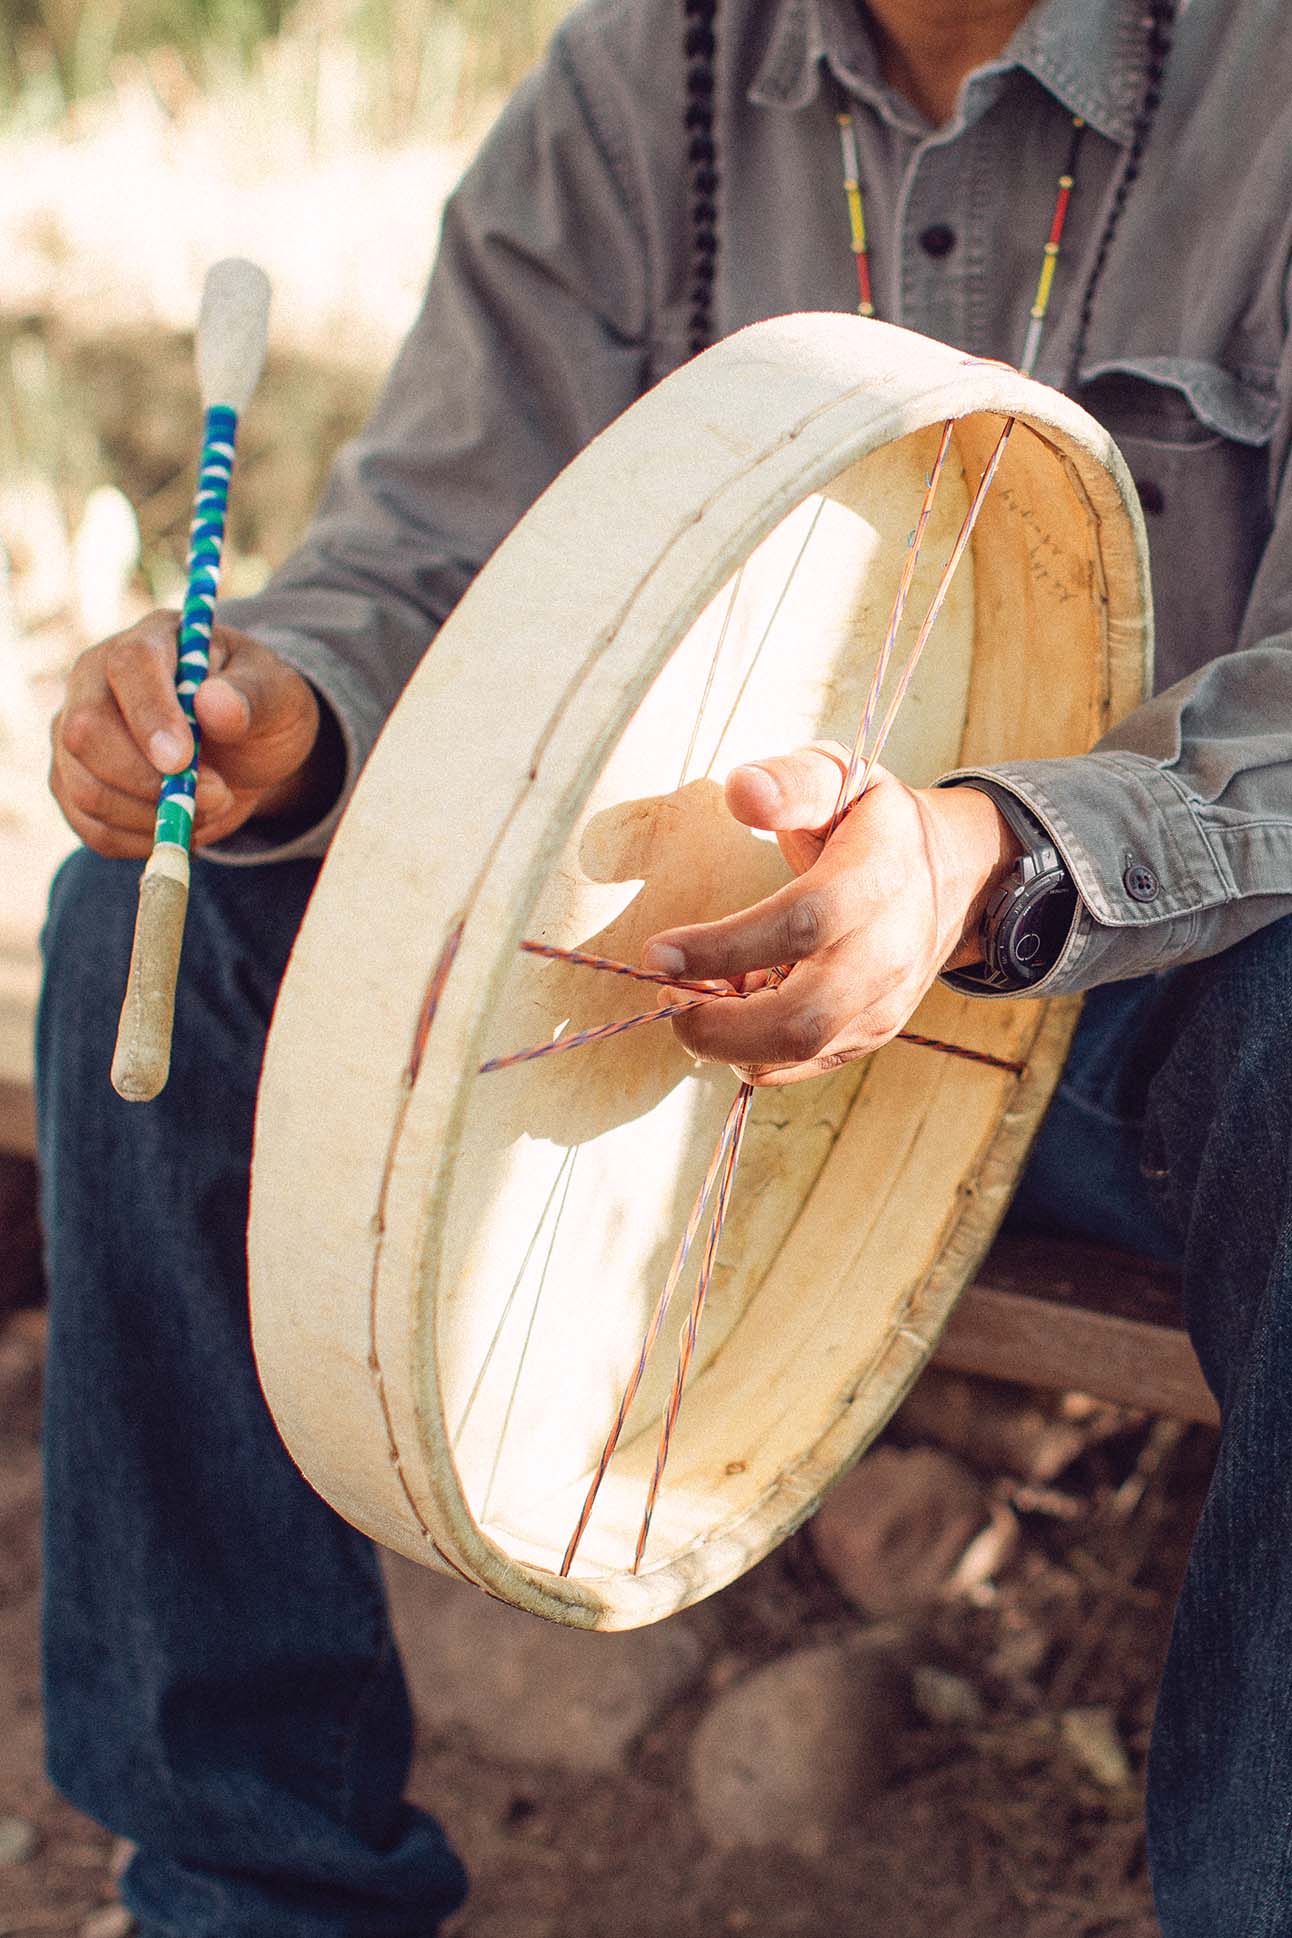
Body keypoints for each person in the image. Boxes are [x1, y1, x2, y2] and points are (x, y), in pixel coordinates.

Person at [35, 0, 1292, 1931]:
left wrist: (983, 854)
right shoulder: (650, 84)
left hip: (1145, 996)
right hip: (673, 968)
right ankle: (246, 1878)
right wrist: (290, 708)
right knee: (178, 906)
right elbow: (423, 560)